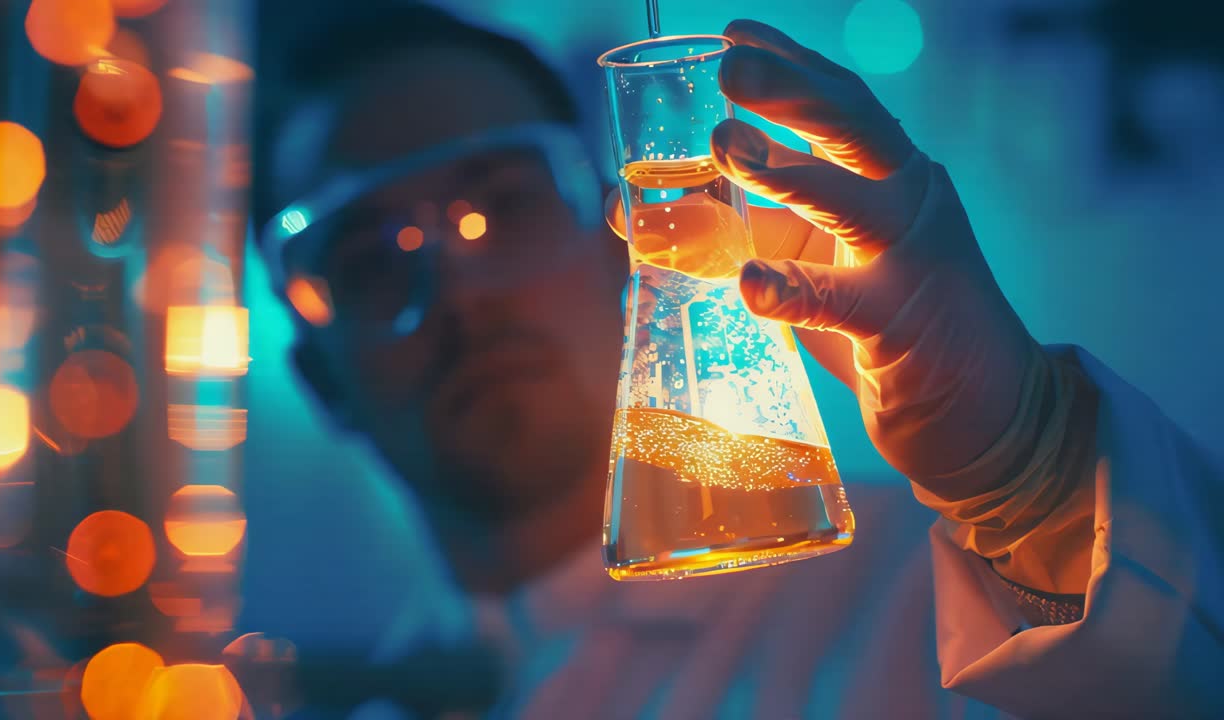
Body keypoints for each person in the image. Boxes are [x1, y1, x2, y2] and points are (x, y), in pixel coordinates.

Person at [251, 3, 1223, 717]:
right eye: (366, 257)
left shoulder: (942, 595)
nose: (460, 290)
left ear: (619, 238)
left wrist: (1031, 464)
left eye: (503, 203)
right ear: (321, 378)